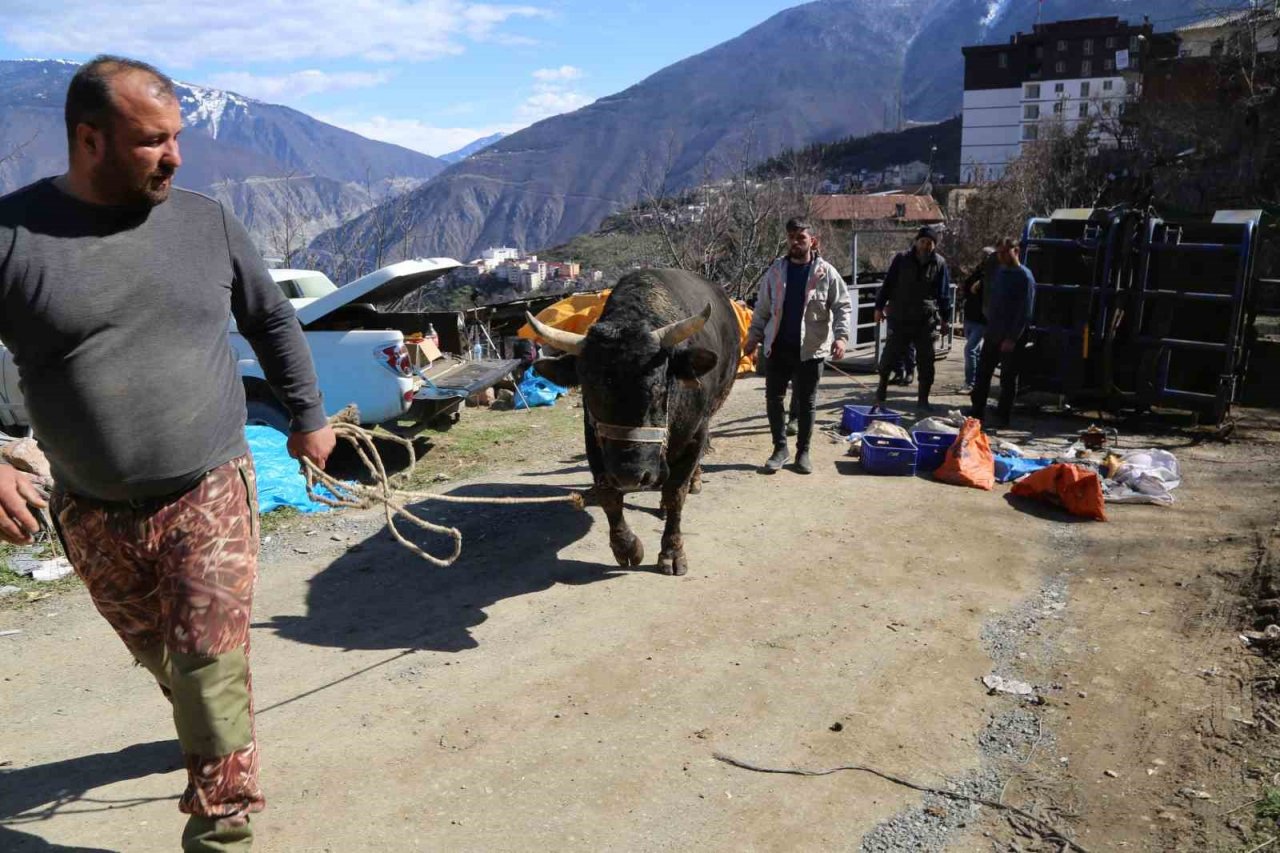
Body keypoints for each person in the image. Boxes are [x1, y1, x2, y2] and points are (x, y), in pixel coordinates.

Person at [0, 56, 336, 851]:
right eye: (153, 142)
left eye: (176, 137)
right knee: (172, 662)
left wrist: (308, 413)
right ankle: (200, 717)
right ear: (89, 140)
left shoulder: (205, 222)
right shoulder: (12, 238)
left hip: (208, 485)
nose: (176, 156)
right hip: (89, 509)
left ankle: (224, 828)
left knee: (209, 665)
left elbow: (273, 320)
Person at [745, 218, 851, 475]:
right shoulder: (776, 272)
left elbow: (842, 306)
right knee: (773, 399)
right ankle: (780, 449)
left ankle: (803, 452)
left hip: (811, 349)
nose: (795, 242)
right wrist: (753, 336)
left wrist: (841, 337)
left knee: (807, 403)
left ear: (812, 241)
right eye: (791, 236)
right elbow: (762, 309)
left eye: (800, 237)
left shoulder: (826, 273)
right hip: (778, 347)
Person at [874, 226, 952, 412]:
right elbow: (888, 284)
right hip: (900, 317)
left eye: (930, 243)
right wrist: (879, 307)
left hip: (925, 321)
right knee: (889, 357)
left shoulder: (939, 263)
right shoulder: (901, 259)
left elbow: (944, 294)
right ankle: (881, 389)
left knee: (926, 362)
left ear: (934, 245)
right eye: (923, 241)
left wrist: (945, 319)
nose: (926, 246)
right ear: (917, 241)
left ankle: (923, 400)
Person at [969, 237, 1036, 428]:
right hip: (993, 331)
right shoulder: (999, 272)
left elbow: (1025, 311)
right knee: (983, 374)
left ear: (1016, 251)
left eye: (1005, 252)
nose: (1002, 256)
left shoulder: (1025, 277)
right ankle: (977, 411)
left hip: (1011, 336)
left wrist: (1012, 338)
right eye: (999, 253)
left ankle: (1003, 416)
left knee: (1007, 377)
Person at [960, 247, 997, 393]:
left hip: (982, 320)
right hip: (970, 316)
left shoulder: (994, 275)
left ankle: (971, 382)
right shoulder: (977, 272)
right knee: (975, 351)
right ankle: (976, 380)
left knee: (970, 349)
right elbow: (968, 288)